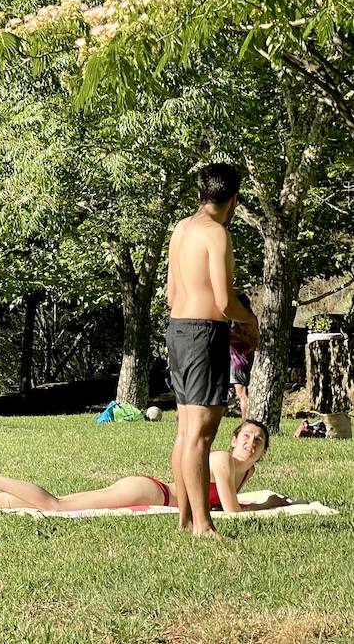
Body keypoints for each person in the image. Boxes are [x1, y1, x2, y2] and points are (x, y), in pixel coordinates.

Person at [165, 162, 258, 538]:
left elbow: (172, 293)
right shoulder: (216, 234)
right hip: (203, 335)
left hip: (179, 330)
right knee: (201, 435)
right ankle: (202, 525)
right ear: (233, 200)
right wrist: (249, 321)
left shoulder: (182, 229)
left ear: (201, 195)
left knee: (186, 430)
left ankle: (186, 518)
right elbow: (223, 301)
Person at [0, 420, 288, 517]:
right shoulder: (222, 460)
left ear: (262, 453)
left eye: (258, 442)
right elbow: (231, 509)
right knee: (56, 505)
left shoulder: (246, 473)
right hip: (153, 492)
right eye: (246, 436)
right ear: (234, 439)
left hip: (154, 491)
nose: (250, 443)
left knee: (59, 502)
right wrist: (270, 504)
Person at [230, 296, 258, 419]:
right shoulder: (251, 319)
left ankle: (245, 420)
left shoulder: (240, 320)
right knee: (243, 392)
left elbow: (240, 338)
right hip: (246, 358)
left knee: (241, 394)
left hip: (237, 361)